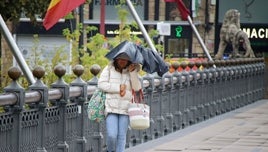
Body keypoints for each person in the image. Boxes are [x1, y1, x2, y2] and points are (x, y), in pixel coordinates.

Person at [98, 52, 142, 152]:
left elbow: (137, 88)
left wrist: (132, 73)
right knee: (112, 135)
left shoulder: (132, 71)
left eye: (125, 59)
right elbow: (101, 84)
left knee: (121, 137)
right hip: (111, 107)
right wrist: (118, 88)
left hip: (126, 109)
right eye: (120, 59)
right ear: (116, 59)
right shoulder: (109, 69)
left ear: (129, 60)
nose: (122, 61)